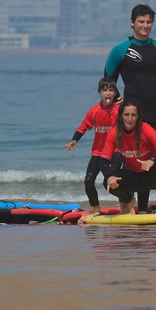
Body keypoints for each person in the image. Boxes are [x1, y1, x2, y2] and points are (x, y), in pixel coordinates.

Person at [104, 3, 156, 209]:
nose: (145, 25)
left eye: (149, 22)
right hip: (129, 114)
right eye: (141, 21)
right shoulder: (120, 50)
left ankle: (143, 207)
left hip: (153, 110)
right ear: (132, 23)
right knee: (127, 156)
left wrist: (148, 95)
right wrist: (119, 100)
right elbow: (108, 80)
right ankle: (128, 202)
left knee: (151, 157)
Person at [100, 99, 156, 214]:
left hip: (149, 176)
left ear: (138, 117)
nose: (130, 118)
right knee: (107, 180)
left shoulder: (146, 129)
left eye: (133, 115)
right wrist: (109, 176)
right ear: (121, 116)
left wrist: (152, 161)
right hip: (132, 178)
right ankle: (128, 200)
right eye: (126, 114)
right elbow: (103, 160)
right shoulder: (115, 132)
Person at [65, 77, 120, 213]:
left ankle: (127, 203)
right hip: (98, 152)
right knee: (88, 180)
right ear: (99, 93)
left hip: (114, 153)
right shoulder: (94, 110)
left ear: (115, 93)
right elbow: (84, 125)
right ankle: (96, 209)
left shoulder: (119, 110)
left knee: (113, 182)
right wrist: (74, 140)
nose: (108, 93)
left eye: (111, 90)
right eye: (104, 90)